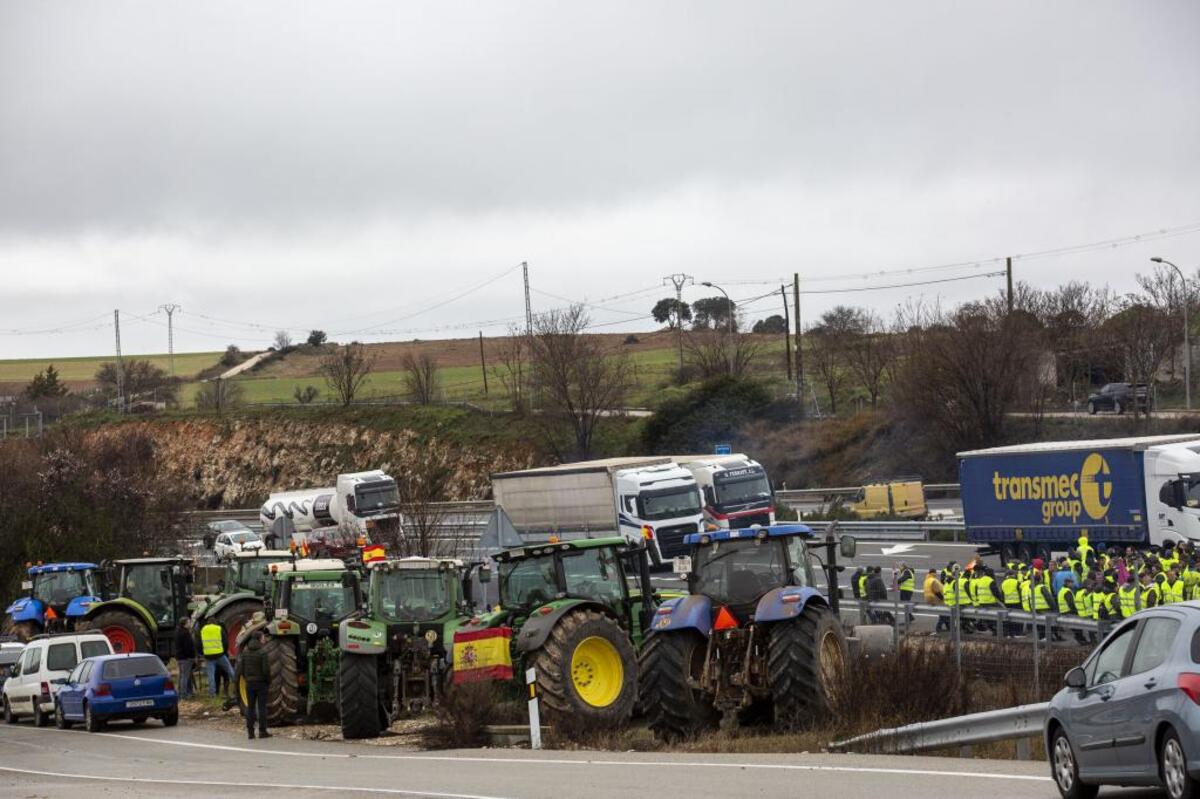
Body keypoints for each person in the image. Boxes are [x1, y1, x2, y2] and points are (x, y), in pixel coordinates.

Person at [235, 628, 272, 740]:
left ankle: (250, 733)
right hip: (261, 683)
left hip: (249, 683)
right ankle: (262, 731)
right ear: (260, 639)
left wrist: (247, 678)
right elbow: (266, 670)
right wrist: (267, 681)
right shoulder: (263, 652)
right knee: (261, 708)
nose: (265, 639)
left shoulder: (245, 652)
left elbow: (241, 669)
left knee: (250, 708)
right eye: (263, 637)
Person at [200, 619, 235, 697]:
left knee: (211, 675)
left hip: (208, 655)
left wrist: (203, 652)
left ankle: (212, 694)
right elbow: (225, 641)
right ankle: (237, 684)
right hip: (220, 654)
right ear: (215, 622)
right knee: (229, 669)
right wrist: (224, 651)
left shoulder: (203, 629)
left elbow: (199, 643)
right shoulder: (219, 628)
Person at [175, 618, 197, 699]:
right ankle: (183, 694)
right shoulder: (186, 633)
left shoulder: (177, 631)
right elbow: (188, 646)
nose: (190, 623)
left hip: (179, 657)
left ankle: (185, 692)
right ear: (185, 624)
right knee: (185, 676)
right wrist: (191, 657)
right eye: (189, 622)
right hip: (186, 658)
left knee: (182, 675)